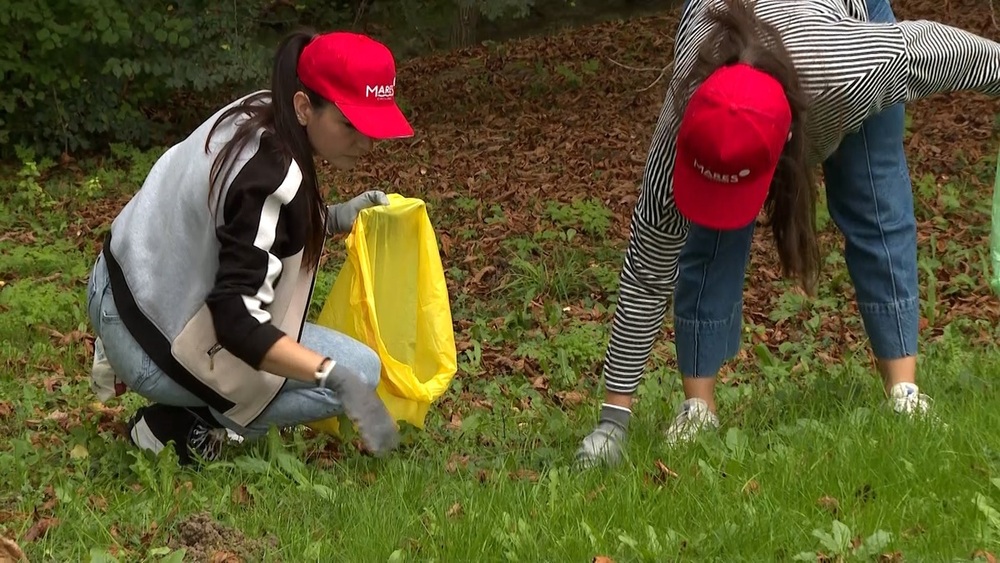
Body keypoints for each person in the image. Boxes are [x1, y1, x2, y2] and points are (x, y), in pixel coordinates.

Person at [576, 0, 1000, 466]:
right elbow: (649, 260)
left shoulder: (854, 68)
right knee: (710, 235)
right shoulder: (686, 110)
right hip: (742, 48)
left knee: (874, 198)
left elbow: (937, 48)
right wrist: (612, 420)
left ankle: (904, 390)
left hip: (838, 30)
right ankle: (698, 406)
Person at [86, 30, 415, 465]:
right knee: (360, 371)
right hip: (148, 332)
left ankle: (176, 402)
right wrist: (333, 376)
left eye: (373, 127)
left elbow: (240, 221)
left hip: (121, 286)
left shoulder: (263, 109)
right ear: (304, 106)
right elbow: (237, 325)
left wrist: (332, 217)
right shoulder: (272, 177)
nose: (367, 144)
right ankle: (177, 426)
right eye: (351, 124)